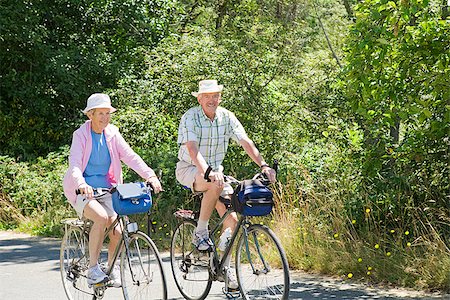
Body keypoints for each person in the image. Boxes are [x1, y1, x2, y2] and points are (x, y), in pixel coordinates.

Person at [175, 80, 276, 290]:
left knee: (231, 218)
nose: (212, 100)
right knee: (214, 184)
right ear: (199, 98)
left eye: (216, 96)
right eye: (207, 96)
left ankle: (225, 267)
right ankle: (200, 233)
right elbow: (192, 150)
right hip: (189, 169)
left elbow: (245, 141)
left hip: (216, 173)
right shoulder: (190, 117)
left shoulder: (226, 117)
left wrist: (264, 165)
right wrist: (208, 172)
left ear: (220, 98)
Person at [63, 93, 162, 287]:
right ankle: (92, 269)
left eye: (107, 113)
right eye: (101, 113)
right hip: (83, 189)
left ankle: (112, 267)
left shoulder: (112, 133)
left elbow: (130, 157)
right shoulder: (81, 134)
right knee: (101, 217)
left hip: (108, 188)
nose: (105, 118)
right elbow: (74, 163)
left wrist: (149, 175)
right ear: (90, 115)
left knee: (117, 228)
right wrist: (81, 183)